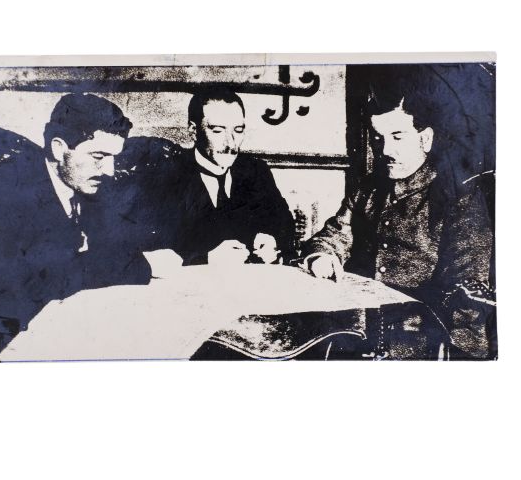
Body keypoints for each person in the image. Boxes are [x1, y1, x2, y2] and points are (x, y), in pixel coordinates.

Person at [300, 66, 495, 357]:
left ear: (425, 139)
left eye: (398, 137)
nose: (385, 151)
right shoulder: (368, 189)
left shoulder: (459, 198)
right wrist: (323, 256)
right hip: (360, 336)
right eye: (378, 139)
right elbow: (334, 235)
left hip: (425, 346)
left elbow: (466, 297)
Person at [0, 93, 151, 362]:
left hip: (67, 328)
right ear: (58, 148)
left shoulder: (94, 186)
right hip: (1, 346)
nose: (109, 171)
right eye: (99, 156)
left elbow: (135, 265)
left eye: (114, 158)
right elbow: (12, 294)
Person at [147, 89, 295, 266]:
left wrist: (272, 239)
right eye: (218, 131)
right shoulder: (167, 175)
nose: (230, 143)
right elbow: (151, 247)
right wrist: (204, 258)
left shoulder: (255, 171)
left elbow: (284, 223)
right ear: (194, 131)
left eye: (238, 130)